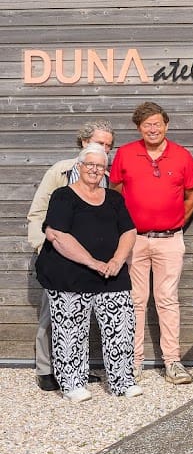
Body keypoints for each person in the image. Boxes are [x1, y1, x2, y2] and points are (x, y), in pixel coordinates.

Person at [35, 144, 140, 401]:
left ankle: (123, 381)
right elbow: (58, 236)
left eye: (100, 166)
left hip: (111, 274)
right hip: (69, 274)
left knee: (122, 327)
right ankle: (72, 384)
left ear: (105, 170)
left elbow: (129, 231)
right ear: (80, 166)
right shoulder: (63, 196)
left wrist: (117, 260)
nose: (94, 169)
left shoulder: (114, 198)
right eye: (89, 164)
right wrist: (93, 263)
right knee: (70, 331)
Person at [109, 101, 193, 385]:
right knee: (135, 300)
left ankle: (172, 362)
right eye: (147, 125)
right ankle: (133, 362)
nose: (152, 129)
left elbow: (191, 196)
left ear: (166, 125)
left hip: (170, 239)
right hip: (134, 240)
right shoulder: (125, 154)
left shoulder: (182, 156)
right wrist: (125, 228)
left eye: (157, 124)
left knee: (167, 300)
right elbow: (115, 192)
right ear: (139, 128)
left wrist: (175, 222)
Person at [27, 120, 114, 392]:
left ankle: (77, 369)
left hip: (88, 258)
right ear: (84, 142)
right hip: (59, 256)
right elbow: (38, 212)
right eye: (100, 142)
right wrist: (44, 248)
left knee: (81, 316)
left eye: (109, 145)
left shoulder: (106, 176)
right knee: (52, 314)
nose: (105, 148)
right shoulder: (60, 171)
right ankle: (45, 369)